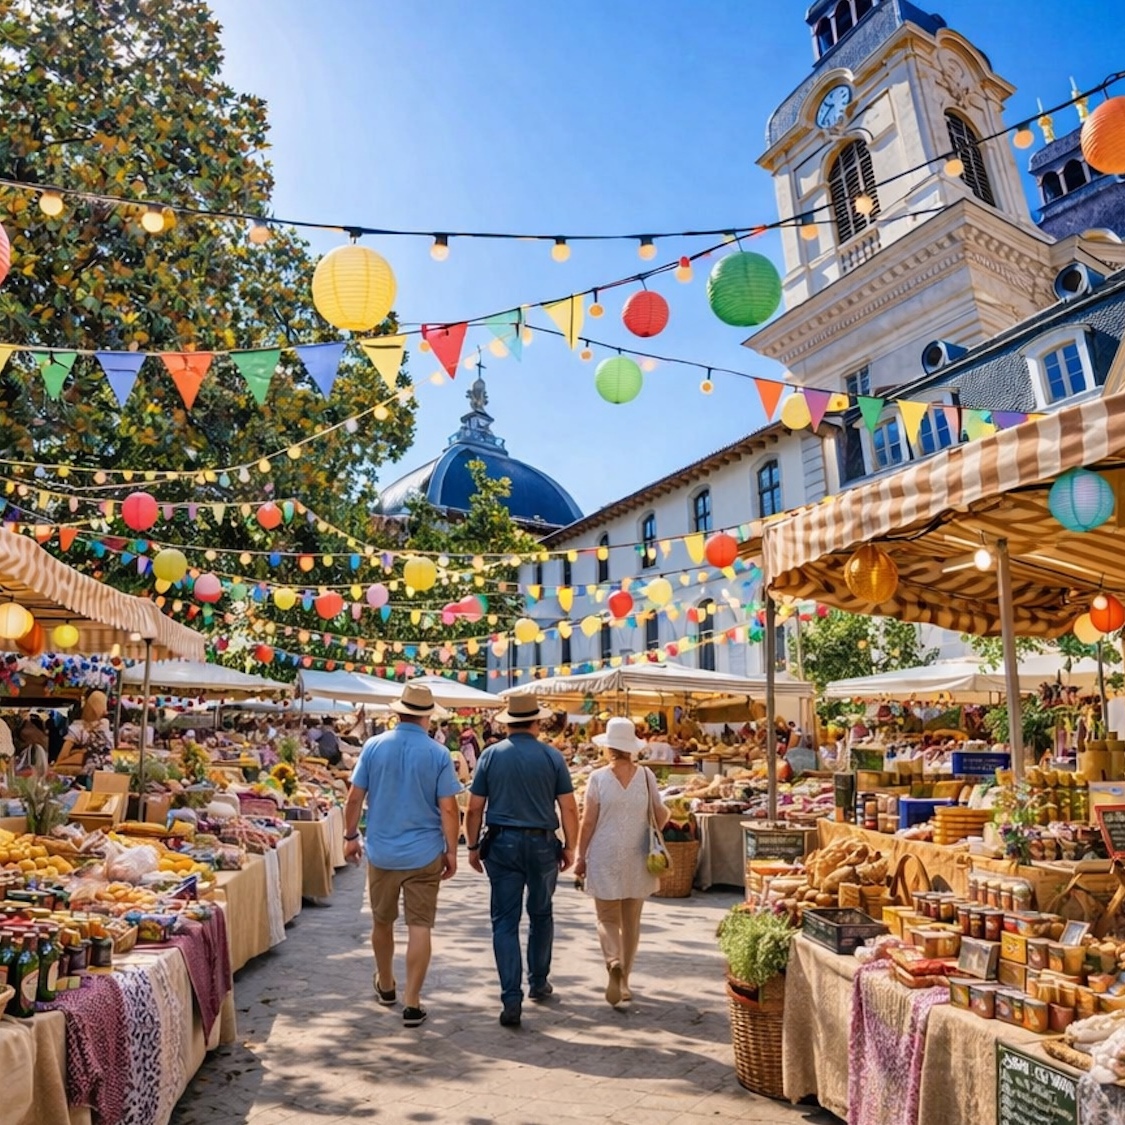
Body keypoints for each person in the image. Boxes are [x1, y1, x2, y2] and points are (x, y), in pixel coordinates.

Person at [343, 682, 461, 1028]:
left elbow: (354, 798)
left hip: (382, 851)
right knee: (419, 926)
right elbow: (449, 809)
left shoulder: (374, 746)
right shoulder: (438, 754)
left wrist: (350, 837)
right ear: (427, 717)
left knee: (382, 922)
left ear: (398, 713)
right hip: (424, 854)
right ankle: (412, 1002)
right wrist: (451, 851)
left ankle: (386, 984)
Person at [464, 694, 578, 1028]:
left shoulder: (491, 755)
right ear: (537, 722)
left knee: (504, 920)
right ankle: (538, 981)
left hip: (502, 844)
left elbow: (474, 808)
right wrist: (571, 847)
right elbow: (569, 807)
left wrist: (472, 846)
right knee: (541, 913)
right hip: (543, 844)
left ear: (507, 724)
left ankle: (511, 999)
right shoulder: (552, 756)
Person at [574, 718, 670, 1008]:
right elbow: (660, 813)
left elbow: (588, 821)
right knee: (631, 921)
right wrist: (651, 830)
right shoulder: (646, 776)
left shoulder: (598, 778)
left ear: (608, 747)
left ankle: (612, 960)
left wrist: (580, 856)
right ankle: (625, 982)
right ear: (631, 747)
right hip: (637, 854)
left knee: (606, 917)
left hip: (604, 853)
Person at [56, 691, 113, 782]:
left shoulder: (78, 728)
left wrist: (77, 752)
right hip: (103, 770)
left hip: (89, 771)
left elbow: (62, 757)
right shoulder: (104, 724)